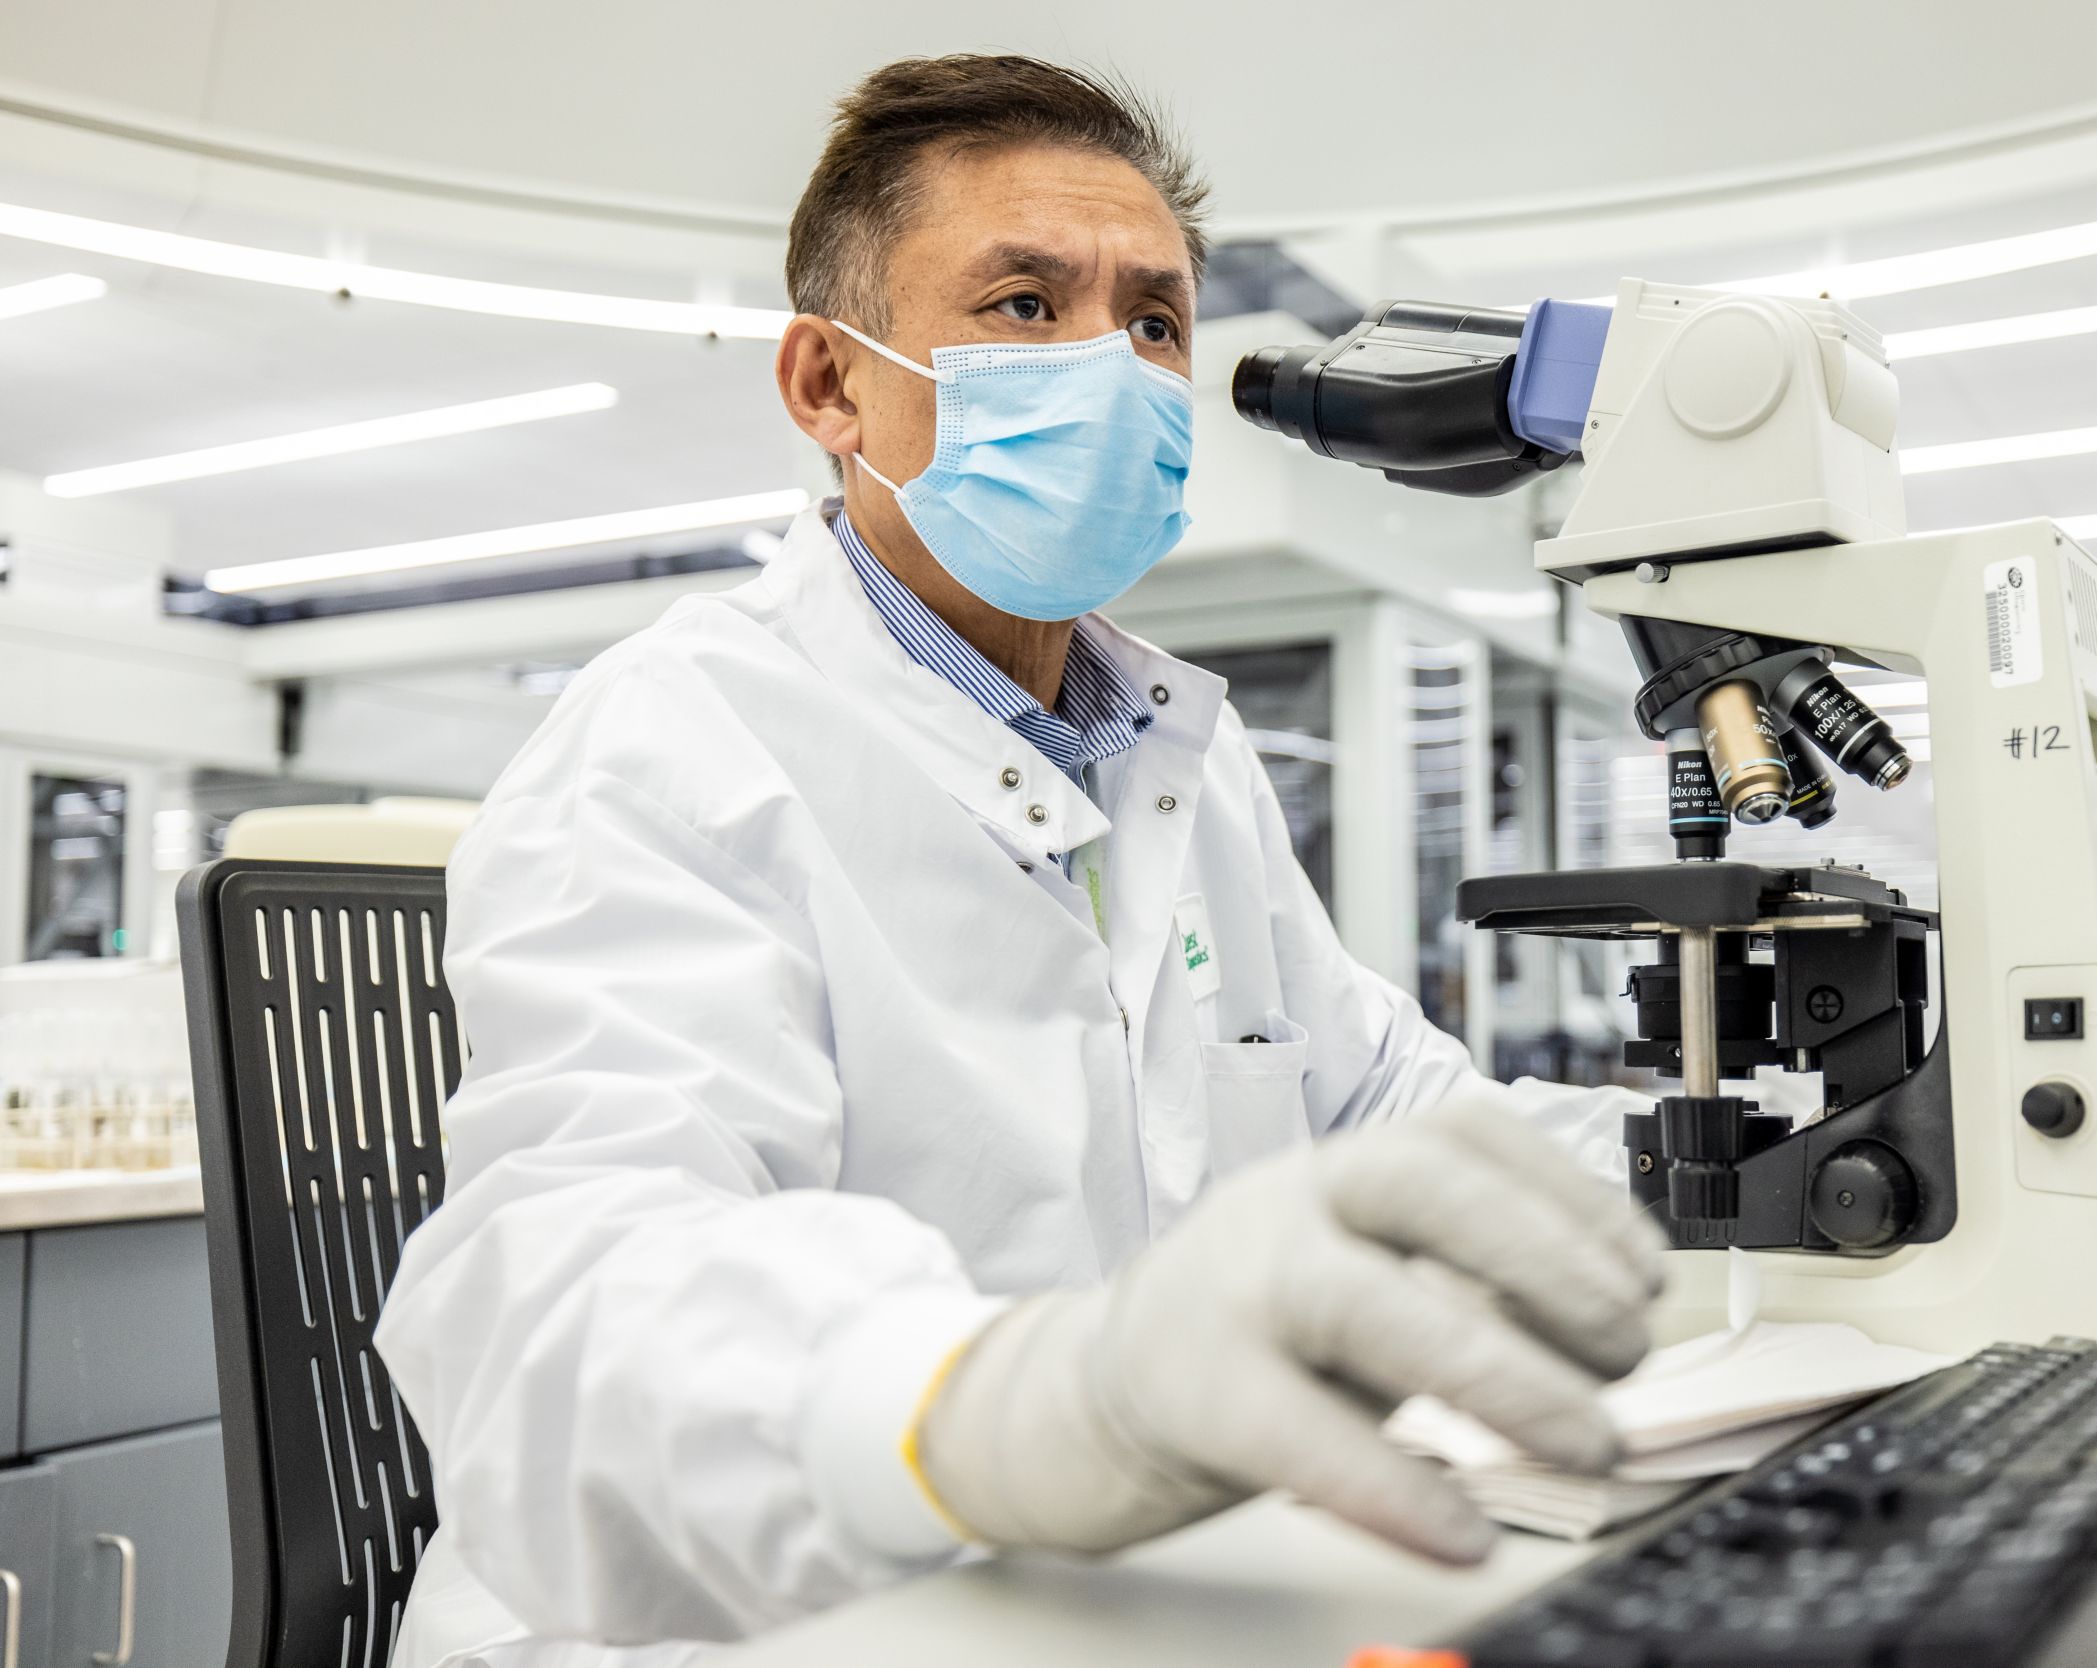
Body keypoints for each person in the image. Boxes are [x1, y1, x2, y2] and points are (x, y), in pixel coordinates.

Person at [375, 53, 1662, 1666]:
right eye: (1024, 304)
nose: (1111, 367)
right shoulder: (669, 743)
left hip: (1127, 1593)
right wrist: (1000, 1410)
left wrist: (1734, 1169)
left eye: (1153, 322)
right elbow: (569, 1293)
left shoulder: (1180, 751)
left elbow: (1395, 1108)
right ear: (828, 387)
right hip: (760, 1623)